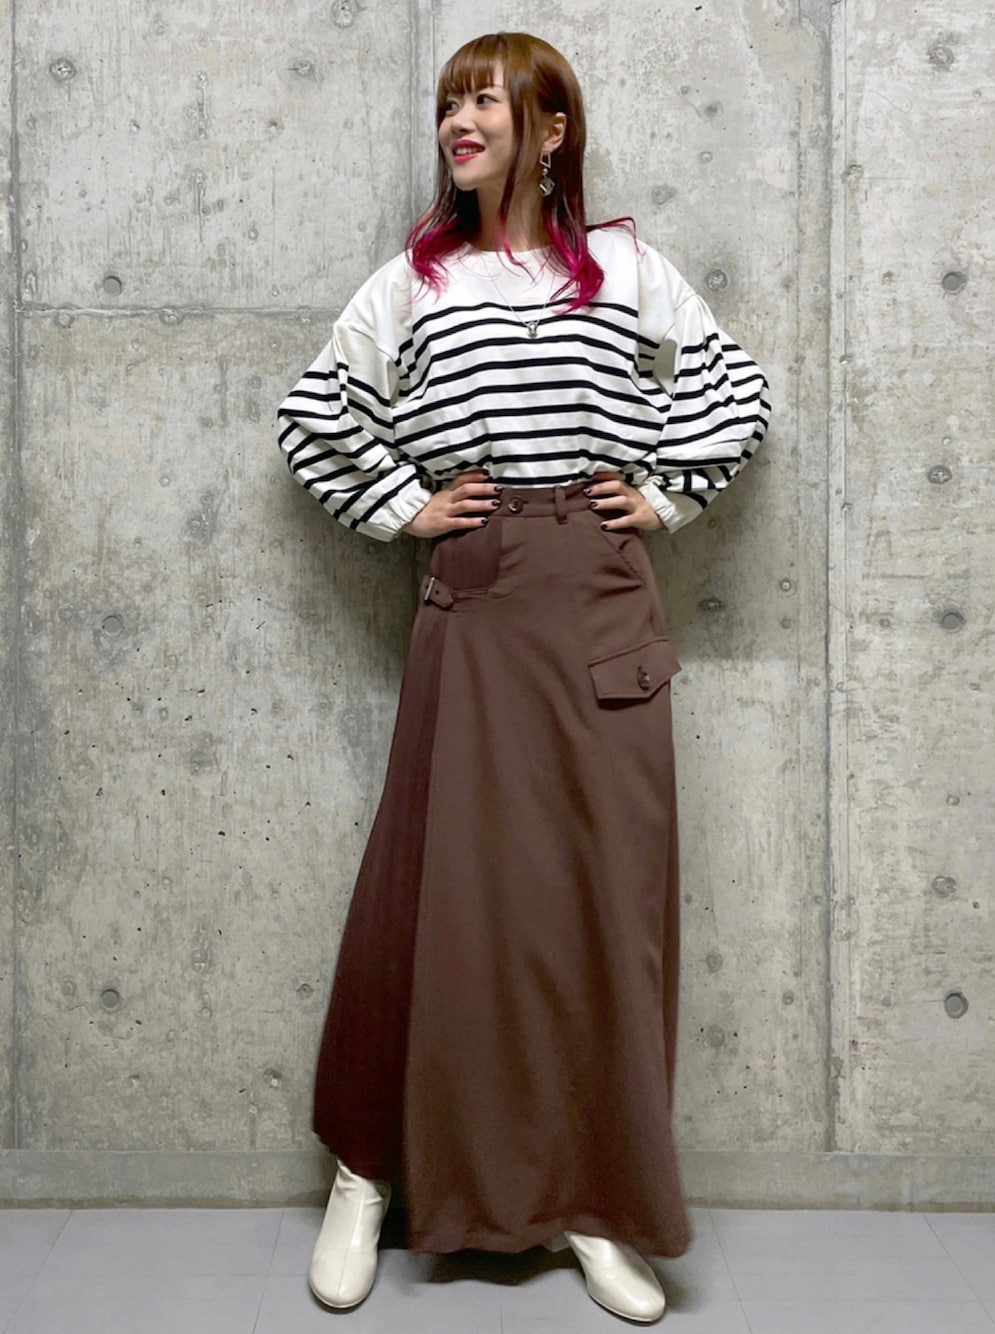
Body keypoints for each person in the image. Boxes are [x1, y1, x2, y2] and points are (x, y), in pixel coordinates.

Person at [276, 31, 769, 1324]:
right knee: (437, 896)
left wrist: (662, 495)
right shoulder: (417, 282)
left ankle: (593, 1200)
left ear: (550, 130)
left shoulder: (627, 270)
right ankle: (367, 1173)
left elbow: (737, 392)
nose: (460, 118)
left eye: (485, 99)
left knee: (604, 907)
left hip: (601, 598)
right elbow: (314, 412)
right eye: (450, 99)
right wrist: (404, 504)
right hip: (480, 600)